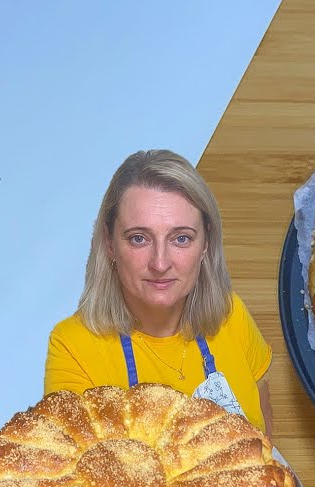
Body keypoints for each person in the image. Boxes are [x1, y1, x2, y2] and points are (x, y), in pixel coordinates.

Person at [45, 150, 274, 437]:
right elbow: (81, 472)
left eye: (181, 238)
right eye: (139, 239)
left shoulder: (231, 312)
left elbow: (261, 401)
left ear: (205, 245)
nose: (160, 263)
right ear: (109, 244)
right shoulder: (72, 347)